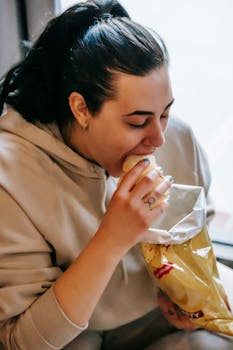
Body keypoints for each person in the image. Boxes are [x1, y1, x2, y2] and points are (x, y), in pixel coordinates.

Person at [0, 1, 232, 349]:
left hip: (155, 317)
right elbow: (22, 341)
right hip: (72, 337)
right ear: (81, 109)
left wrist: (184, 291)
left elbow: (197, 233)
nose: (158, 139)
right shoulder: (11, 176)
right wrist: (112, 239)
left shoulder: (176, 138)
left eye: (165, 113)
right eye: (137, 122)